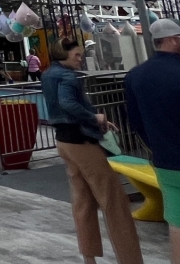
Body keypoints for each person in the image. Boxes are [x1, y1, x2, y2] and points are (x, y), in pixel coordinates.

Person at [43, 39, 143, 264]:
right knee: (115, 201)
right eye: (76, 55)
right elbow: (68, 103)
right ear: (64, 55)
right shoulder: (68, 77)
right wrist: (94, 117)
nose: (80, 59)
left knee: (83, 200)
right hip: (82, 141)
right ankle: (130, 259)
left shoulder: (49, 74)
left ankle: (89, 257)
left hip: (65, 141)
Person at [125, 19, 180, 264]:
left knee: (177, 222)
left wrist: (157, 146)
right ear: (173, 40)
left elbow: (135, 121)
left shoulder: (135, 76)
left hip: (165, 162)